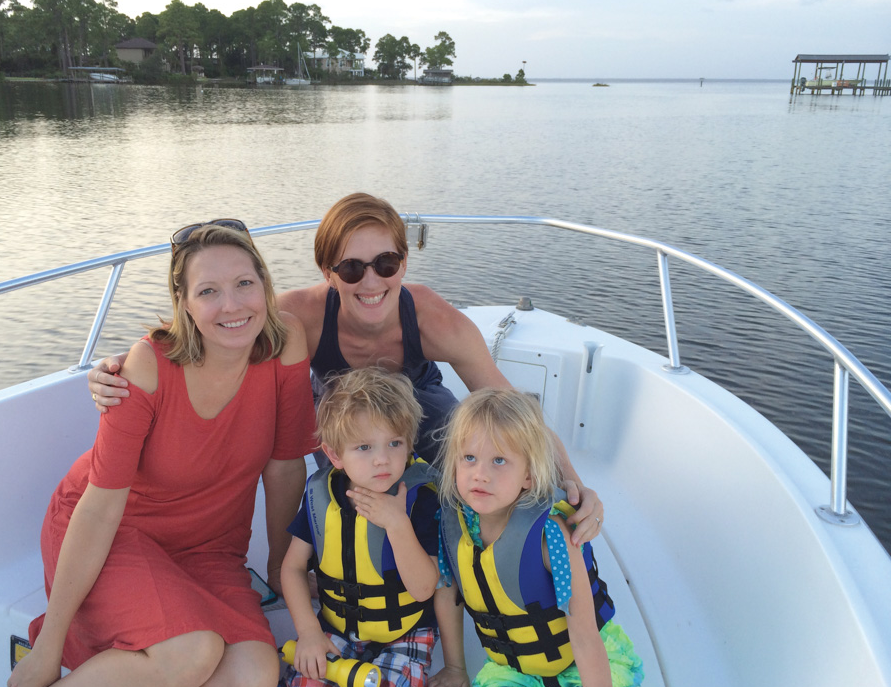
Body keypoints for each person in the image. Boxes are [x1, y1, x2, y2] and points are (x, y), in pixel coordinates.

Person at [88, 193, 604, 546]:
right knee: (343, 485)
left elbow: (510, 407)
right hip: (336, 406)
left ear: (403, 262)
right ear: (327, 271)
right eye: (352, 268)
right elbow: (213, 338)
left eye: (386, 263)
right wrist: (118, 370)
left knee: (472, 458)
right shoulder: (301, 317)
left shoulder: (435, 320)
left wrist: (573, 483)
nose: (371, 281)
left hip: (418, 398)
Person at [0, 222, 317, 687]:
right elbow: (99, 507)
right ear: (183, 303)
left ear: (264, 286)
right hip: (115, 533)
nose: (232, 305)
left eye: (244, 284)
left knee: (250, 684)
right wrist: (50, 645)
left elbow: (286, 465)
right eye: (208, 291)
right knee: (193, 652)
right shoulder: (147, 367)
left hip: (211, 547)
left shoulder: (285, 343)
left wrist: (277, 563)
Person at [430, 388, 665, 687]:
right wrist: (454, 667)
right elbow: (448, 595)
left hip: (581, 667)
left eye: (499, 461)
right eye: (469, 458)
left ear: (528, 475)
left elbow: (586, 641)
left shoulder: (549, 538)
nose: (480, 474)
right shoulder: (452, 524)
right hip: (516, 673)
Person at [277, 367, 441, 687]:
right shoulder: (321, 496)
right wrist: (309, 635)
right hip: (335, 629)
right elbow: (292, 568)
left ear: (410, 443)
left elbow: (422, 589)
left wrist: (397, 524)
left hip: (403, 636)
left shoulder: (419, 499)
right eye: (364, 447)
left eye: (395, 443)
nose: (382, 460)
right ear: (335, 455)